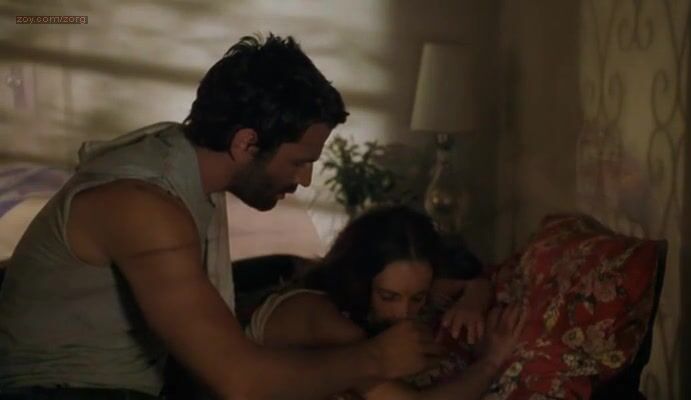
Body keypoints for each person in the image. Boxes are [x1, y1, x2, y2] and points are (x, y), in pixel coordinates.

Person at [0, 34, 445, 400]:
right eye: (298, 161)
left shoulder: (186, 175)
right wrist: (375, 358)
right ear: (246, 143)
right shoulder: (145, 206)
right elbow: (240, 382)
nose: (305, 179)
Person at [245, 205, 526, 400]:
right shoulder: (327, 321)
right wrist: (491, 362)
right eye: (389, 297)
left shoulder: (400, 288)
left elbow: (474, 284)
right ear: (359, 278)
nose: (404, 313)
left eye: (417, 298)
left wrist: (472, 300)